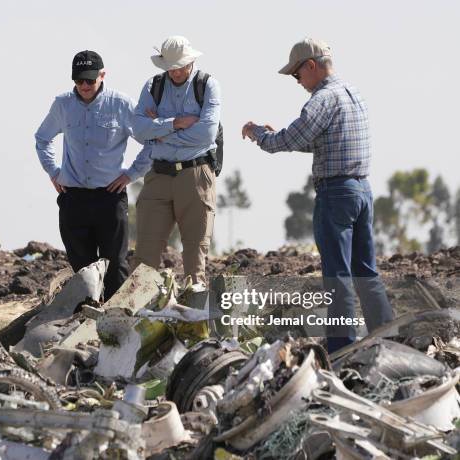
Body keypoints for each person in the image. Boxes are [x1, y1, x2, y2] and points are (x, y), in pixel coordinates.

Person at [242, 38, 394, 353]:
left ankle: (341, 347)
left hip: (336, 193)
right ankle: (387, 340)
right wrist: (278, 133)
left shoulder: (322, 99)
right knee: (366, 271)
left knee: (337, 275)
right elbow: (320, 140)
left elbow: (282, 142)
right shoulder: (353, 94)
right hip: (362, 191)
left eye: (297, 76)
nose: (298, 83)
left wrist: (258, 133)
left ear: (311, 66)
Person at [35, 50, 152, 300]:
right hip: (73, 198)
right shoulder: (62, 104)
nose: (84, 86)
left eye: (90, 80)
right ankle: (82, 325)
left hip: (110, 198)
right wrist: (54, 172)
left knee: (115, 268)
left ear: (102, 75)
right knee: (81, 269)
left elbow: (151, 142)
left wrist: (131, 174)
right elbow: (42, 138)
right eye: (79, 81)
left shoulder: (121, 104)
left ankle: (115, 324)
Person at [132, 36, 221, 285]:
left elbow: (206, 134)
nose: (177, 71)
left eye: (182, 65)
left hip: (195, 175)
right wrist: (176, 123)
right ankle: (139, 318)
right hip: (158, 175)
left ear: (191, 60)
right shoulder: (153, 86)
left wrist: (159, 131)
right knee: (144, 257)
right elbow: (139, 130)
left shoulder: (208, 85)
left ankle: (194, 318)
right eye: (172, 67)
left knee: (195, 256)